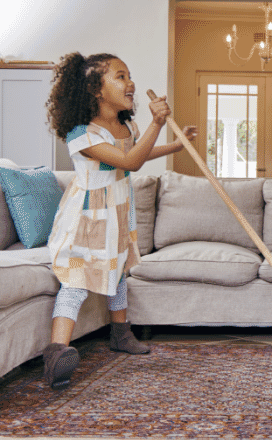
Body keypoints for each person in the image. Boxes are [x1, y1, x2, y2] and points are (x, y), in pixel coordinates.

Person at [43, 52, 198, 390]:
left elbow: (138, 150)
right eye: (119, 76)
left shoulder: (126, 125)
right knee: (76, 280)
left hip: (117, 212)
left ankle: (120, 333)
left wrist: (174, 143)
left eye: (129, 75)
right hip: (87, 217)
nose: (130, 83)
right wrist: (158, 123)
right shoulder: (81, 134)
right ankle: (57, 352)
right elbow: (130, 161)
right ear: (95, 89)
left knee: (118, 271)